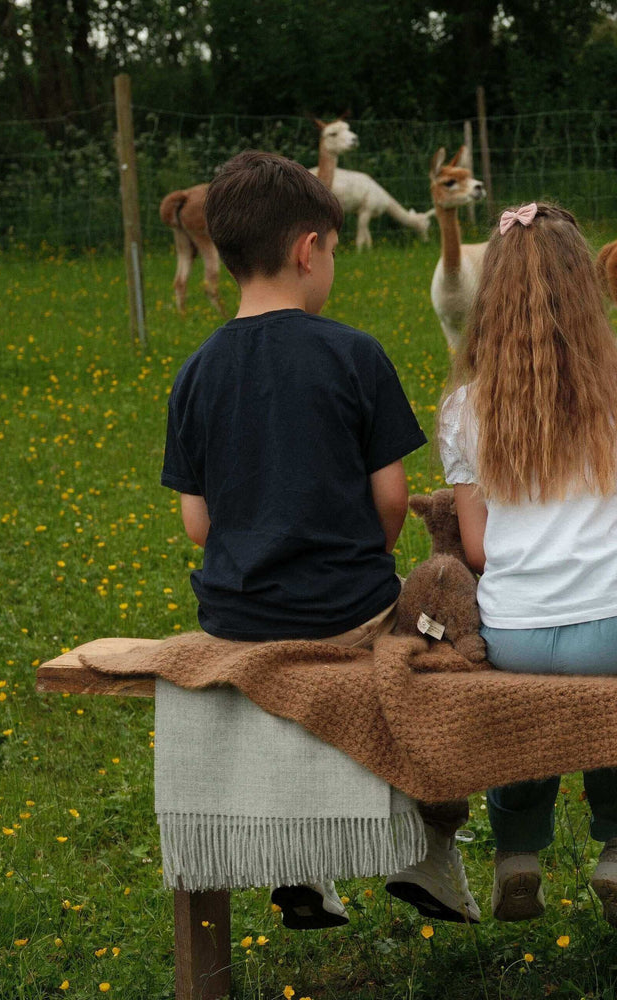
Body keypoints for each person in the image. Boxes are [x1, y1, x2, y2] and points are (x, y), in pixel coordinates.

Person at [160, 151, 478, 930]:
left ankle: (301, 867)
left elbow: (197, 526)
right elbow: (393, 501)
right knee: (441, 652)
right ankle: (430, 852)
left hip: (234, 616)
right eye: (333, 250)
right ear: (309, 250)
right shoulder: (354, 355)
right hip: (346, 607)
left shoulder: (194, 372)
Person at [437, 202, 617, 930]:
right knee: (614, 717)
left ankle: (516, 854)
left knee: (521, 724)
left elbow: (477, 550)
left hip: (514, 631)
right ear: (586, 289)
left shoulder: (465, 410)